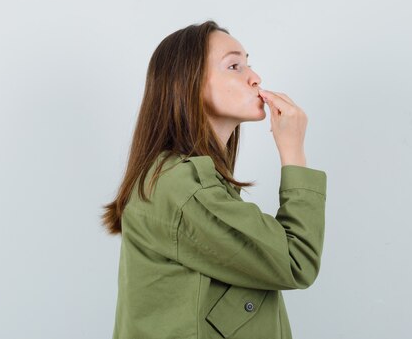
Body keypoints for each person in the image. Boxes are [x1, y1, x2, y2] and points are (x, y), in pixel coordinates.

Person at [101, 20, 327, 339]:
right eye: (234, 65)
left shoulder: (184, 179)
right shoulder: (181, 185)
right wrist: (293, 152)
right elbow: (295, 261)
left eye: (248, 63)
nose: (255, 77)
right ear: (189, 85)